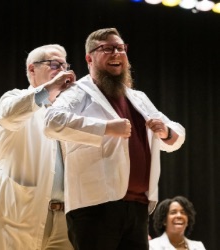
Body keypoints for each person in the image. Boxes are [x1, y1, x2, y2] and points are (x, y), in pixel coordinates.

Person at [44, 28, 186, 250]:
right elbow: (51, 122)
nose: (117, 54)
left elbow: (177, 133)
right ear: (89, 58)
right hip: (94, 207)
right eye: (107, 48)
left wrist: (165, 132)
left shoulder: (137, 98)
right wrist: (106, 128)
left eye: (121, 48)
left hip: (138, 207)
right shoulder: (78, 92)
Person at [0, 44, 76, 250]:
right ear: (32, 69)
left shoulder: (67, 112)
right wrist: (50, 89)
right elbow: (9, 115)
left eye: (65, 65)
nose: (62, 70)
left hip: (63, 220)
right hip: (20, 214)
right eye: (54, 64)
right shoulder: (14, 98)